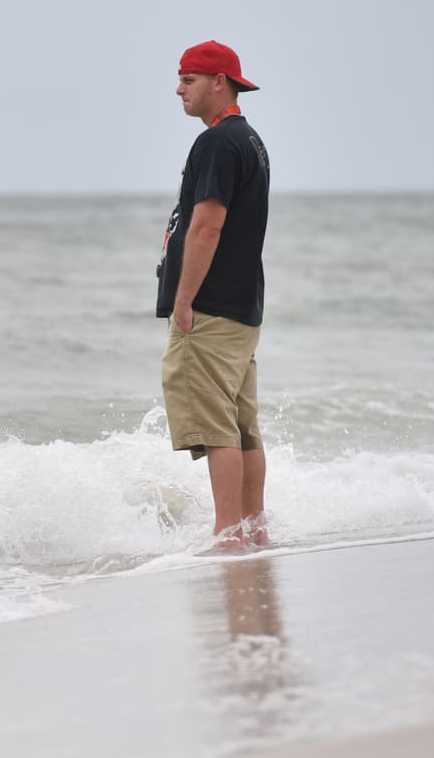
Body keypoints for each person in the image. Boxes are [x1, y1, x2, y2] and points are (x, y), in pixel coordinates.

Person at [156, 40, 271, 549]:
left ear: (218, 82)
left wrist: (183, 302)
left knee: (218, 428)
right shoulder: (249, 139)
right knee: (243, 427)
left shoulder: (218, 143)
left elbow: (207, 226)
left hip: (211, 307)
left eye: (188, 80)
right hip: (241, 307)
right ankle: (253, 529)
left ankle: (227, 536)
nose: (179, 89)